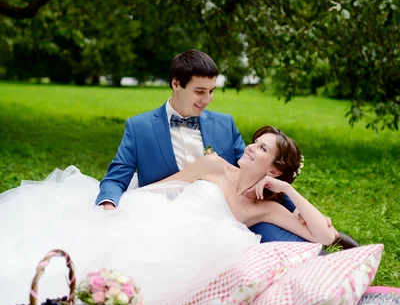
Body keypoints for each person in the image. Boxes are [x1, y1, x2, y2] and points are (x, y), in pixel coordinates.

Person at [0, 125, 335, 305]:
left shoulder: (267, 208)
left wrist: (287, 188)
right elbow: (162, 189)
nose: (250, 146)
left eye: (262, 148)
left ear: (274, 169)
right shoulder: (214, 165)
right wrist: (118, 210)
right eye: (255, 141)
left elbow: (324, 235)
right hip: (153, 218)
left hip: (187, 250)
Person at [95, 49, 358, 248]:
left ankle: (320, 257)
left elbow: (254, 169)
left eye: (211, 91)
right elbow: (120, 179)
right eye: (200, 91)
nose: (207, 100)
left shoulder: (224, 124)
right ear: (176, 83)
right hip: (163, 213)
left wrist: (292, 202)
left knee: (278, 237)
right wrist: (112, 210)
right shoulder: (139, 127)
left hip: (222, 227)